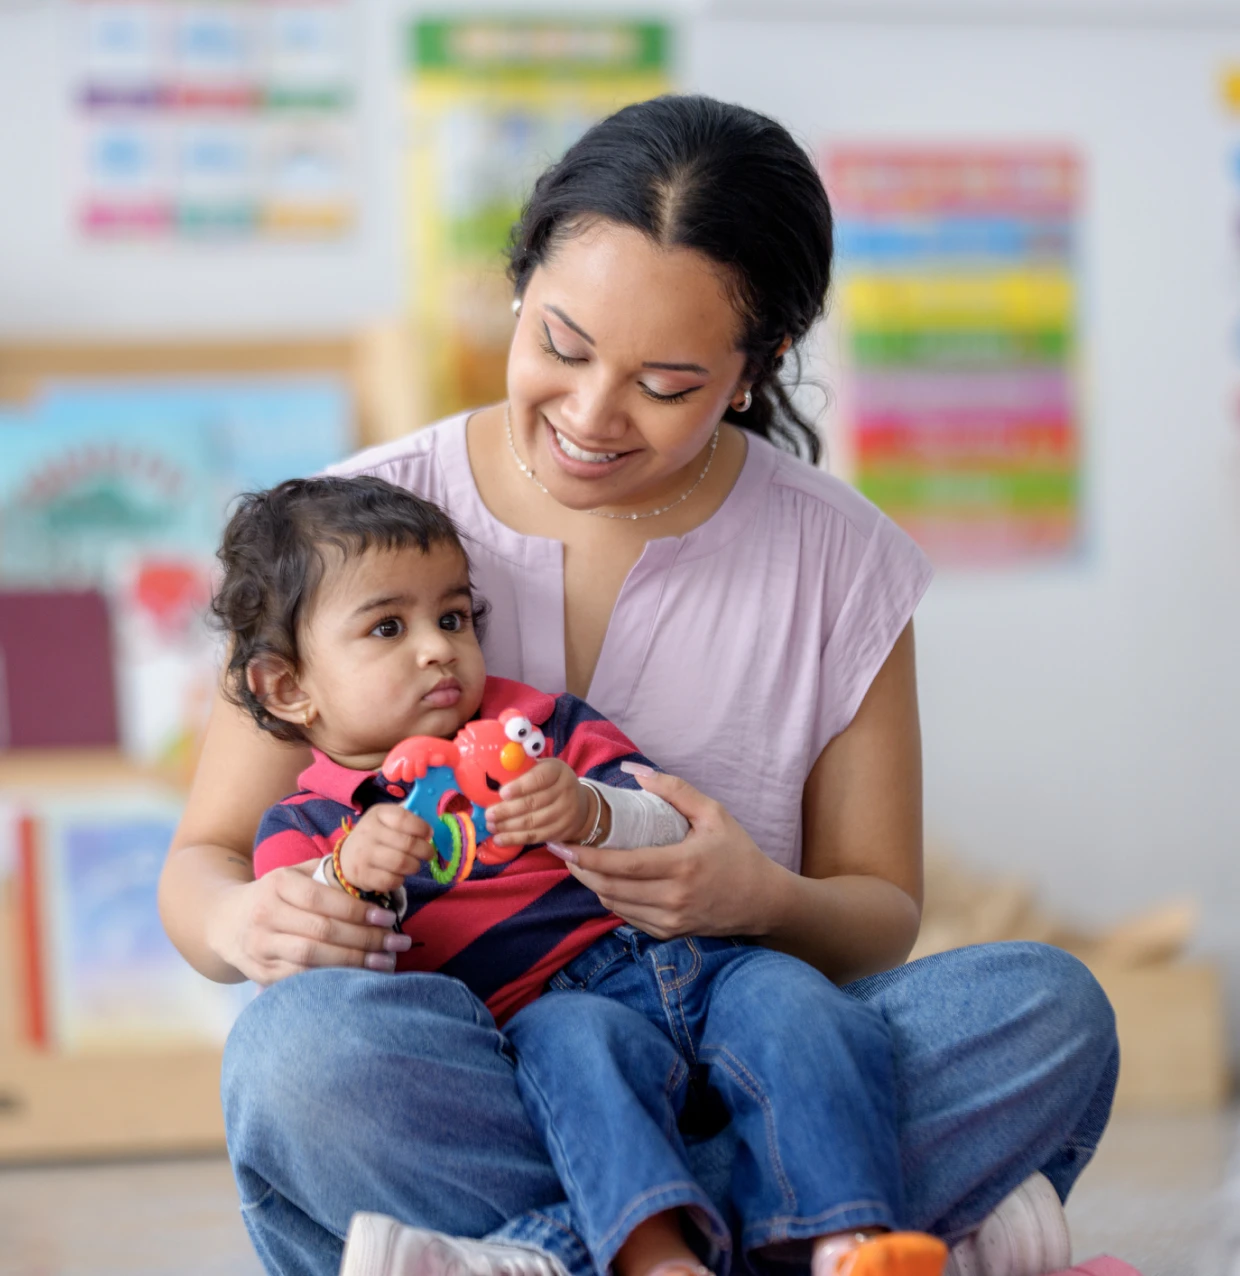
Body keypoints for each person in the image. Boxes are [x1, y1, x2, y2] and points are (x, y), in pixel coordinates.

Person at [159, 95, 1117, 1276]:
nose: (590, 416)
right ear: (519, 287)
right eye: (560, 345)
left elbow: (879, 915)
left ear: (754, 368)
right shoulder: (355, 535)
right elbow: (203, 862)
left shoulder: (841, 562)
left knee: (1045, 1009)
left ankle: (540, 1256)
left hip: (751, 1045)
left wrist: (757, 895)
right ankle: (816, 1234)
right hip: (481, 1071)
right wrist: (241, 919)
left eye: (664, 383)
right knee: (302, 1058)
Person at [215, 473, 950, 1276]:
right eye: (388, 627)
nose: (437, 646)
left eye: (453, 616)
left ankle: (844, 1240)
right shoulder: (306, 827)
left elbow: (670, 823)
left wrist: (590, 810)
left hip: (697, 960)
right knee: (581, 1062)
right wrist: (354, 878)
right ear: (288, 687)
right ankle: (657, 1257)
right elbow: (328, 996)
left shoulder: (539, 727)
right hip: (539, 1015)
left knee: (808, 1007)